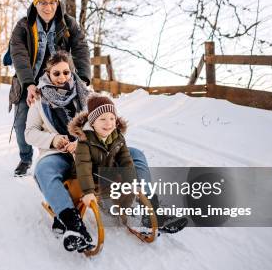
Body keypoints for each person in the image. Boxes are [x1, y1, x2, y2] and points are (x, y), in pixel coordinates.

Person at [25, 51, 157, 252]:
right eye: (56, 73)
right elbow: (30, 133)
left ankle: (149, 207)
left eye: (66, 73)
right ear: (48, 74)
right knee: (44, 170)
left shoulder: (86, 95)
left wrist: (84, 141)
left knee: (136, 154)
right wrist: (54, 139)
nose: (62, 78)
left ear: (72, 72)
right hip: (60, 154)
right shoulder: (39, 101)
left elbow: (101, 122)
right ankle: (72, 224)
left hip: (92, 149)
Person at [68, 94, 188, 235]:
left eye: (112, 118)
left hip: (109, 173)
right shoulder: (84, 140)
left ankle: (148, 212)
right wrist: (88, 192)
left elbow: (126, 160)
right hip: (91, 178)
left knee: (130, 177)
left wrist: (132, 182)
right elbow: (83, 167)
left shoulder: (117, 136)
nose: (109, 123)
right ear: (92, 122)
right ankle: (135, 214)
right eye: (103, 119)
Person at [9, 0, 91, 177]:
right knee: (22, 123)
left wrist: (83, 80)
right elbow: (19, 55)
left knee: (67, 120)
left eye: (52, 2)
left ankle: (67, 157)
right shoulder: (23, 26)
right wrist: (28, 84)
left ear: (58, 4)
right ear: (35, 4)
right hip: (28, 81)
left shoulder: (68, 23)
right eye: (43, 2)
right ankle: (25, 158)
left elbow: (81, 48)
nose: (48, 7)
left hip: (59, 81)